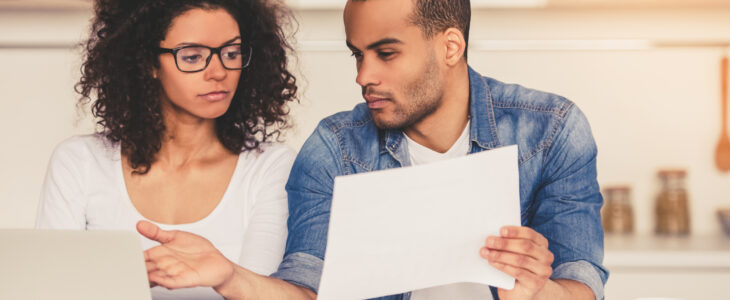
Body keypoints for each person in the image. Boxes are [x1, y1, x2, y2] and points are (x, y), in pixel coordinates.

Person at [139, 0, 608, 299]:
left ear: (450, 47)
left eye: (385, 54)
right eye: (356, 54)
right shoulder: (334, 148)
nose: (363, 77)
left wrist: (539, 292)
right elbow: (308, 288)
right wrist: (227, 276)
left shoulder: (551, 129)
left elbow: (581, 279)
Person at [35, 0, 298, 299]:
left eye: (231, 53)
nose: (218, 72)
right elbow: (48, 290)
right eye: (192, 56)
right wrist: (124, 280)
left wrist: (226, 275)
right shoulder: (79, 162)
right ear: (148, 63)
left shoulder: (271, 167)